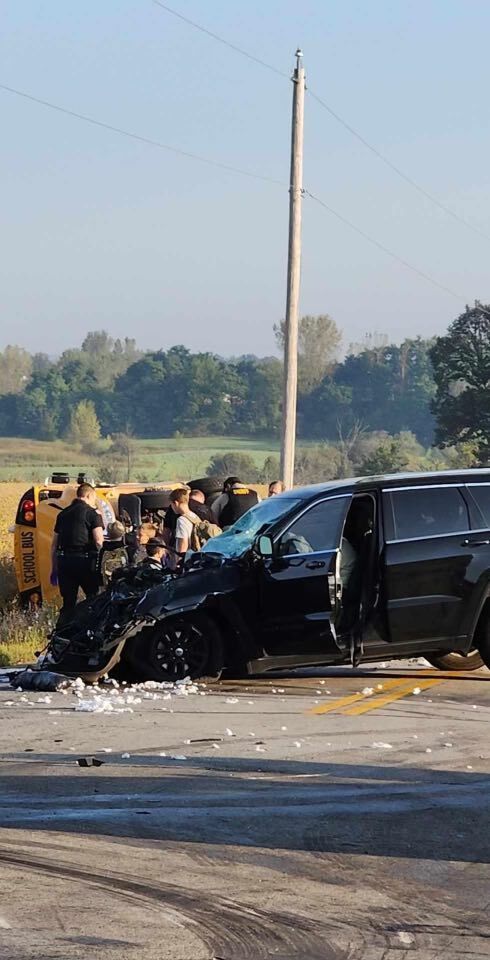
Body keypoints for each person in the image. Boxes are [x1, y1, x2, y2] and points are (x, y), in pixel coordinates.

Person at [51, 482, 104, 626]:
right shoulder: (92, 514)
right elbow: (99, 541)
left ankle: (61, 635)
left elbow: (54, 545)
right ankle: (89, 632)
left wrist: (54, 569)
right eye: (94, 498)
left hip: (65, 562)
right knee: (93, 599)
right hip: (85, 562)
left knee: (68, 603)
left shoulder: (62, 514)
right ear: (89, 495)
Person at [167, 487, 200, 567]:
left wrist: (178, 564)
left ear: (176, 503)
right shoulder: (194, 517)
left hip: (187, 561)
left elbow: (183, 545)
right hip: (196, 558)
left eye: (171, 504)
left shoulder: (181, 520)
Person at [99, 520, 129, 588]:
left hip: (106, 584)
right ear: (122, 533)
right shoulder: (126, 549)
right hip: (123, 584)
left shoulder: (103, 550)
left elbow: (99, 567)